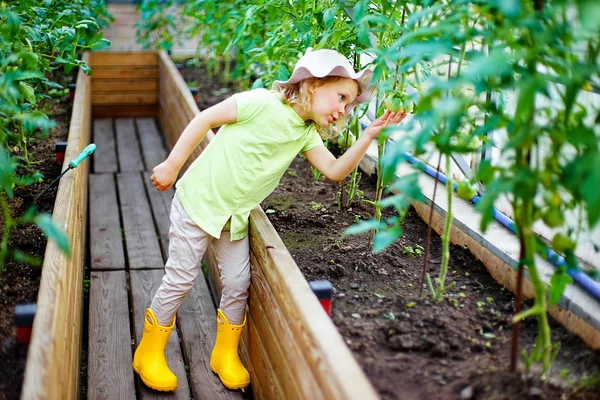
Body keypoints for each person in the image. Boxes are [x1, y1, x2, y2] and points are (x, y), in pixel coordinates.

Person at [132, 48, 407, 392]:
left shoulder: (306, 134)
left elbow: (335, 171)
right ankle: (149, 351)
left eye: (350, 106)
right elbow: (205, 119)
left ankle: (225, 352)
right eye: (341, 97)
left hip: (234, 217)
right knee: (181, 278)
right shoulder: (260, 103)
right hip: (199, 203)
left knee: (237, 283)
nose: (344, 110)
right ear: (314, 83)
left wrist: (367, 137)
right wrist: (173, 164)